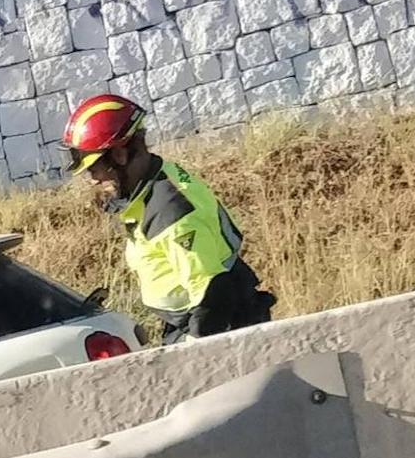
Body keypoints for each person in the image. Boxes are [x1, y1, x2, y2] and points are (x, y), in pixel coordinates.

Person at [62, 94, 276, 343]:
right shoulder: (156, 179)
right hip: (193, 320)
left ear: (120, 155)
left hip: (213, 326)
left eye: (94, 167)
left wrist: (196, 354)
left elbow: (213, 293)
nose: (92, 179)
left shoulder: (171, 214)